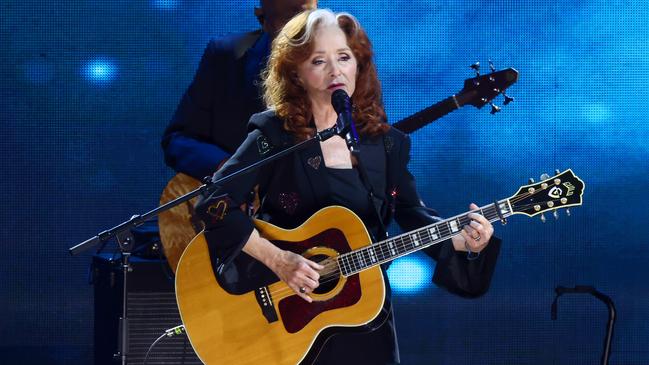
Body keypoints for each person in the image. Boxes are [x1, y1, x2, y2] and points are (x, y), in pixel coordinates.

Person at [196, 9, 502, 365]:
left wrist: (460, 241)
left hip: (363, 313)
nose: (335, 71)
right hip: (286, 315)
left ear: (359, 65)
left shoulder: (387, 143)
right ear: (296, 72)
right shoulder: (274, 134)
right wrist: (278, 260)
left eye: (344, 57)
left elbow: (410, 212)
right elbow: (214, 202)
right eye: (318, 60)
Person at [161, 0, 317, 181]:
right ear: (263, 19)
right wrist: (226, 168)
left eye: (306, 18)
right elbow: (178, 140)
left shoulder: (340, 66)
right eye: (289, 20)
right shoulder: (226, 56)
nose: (297, 33)